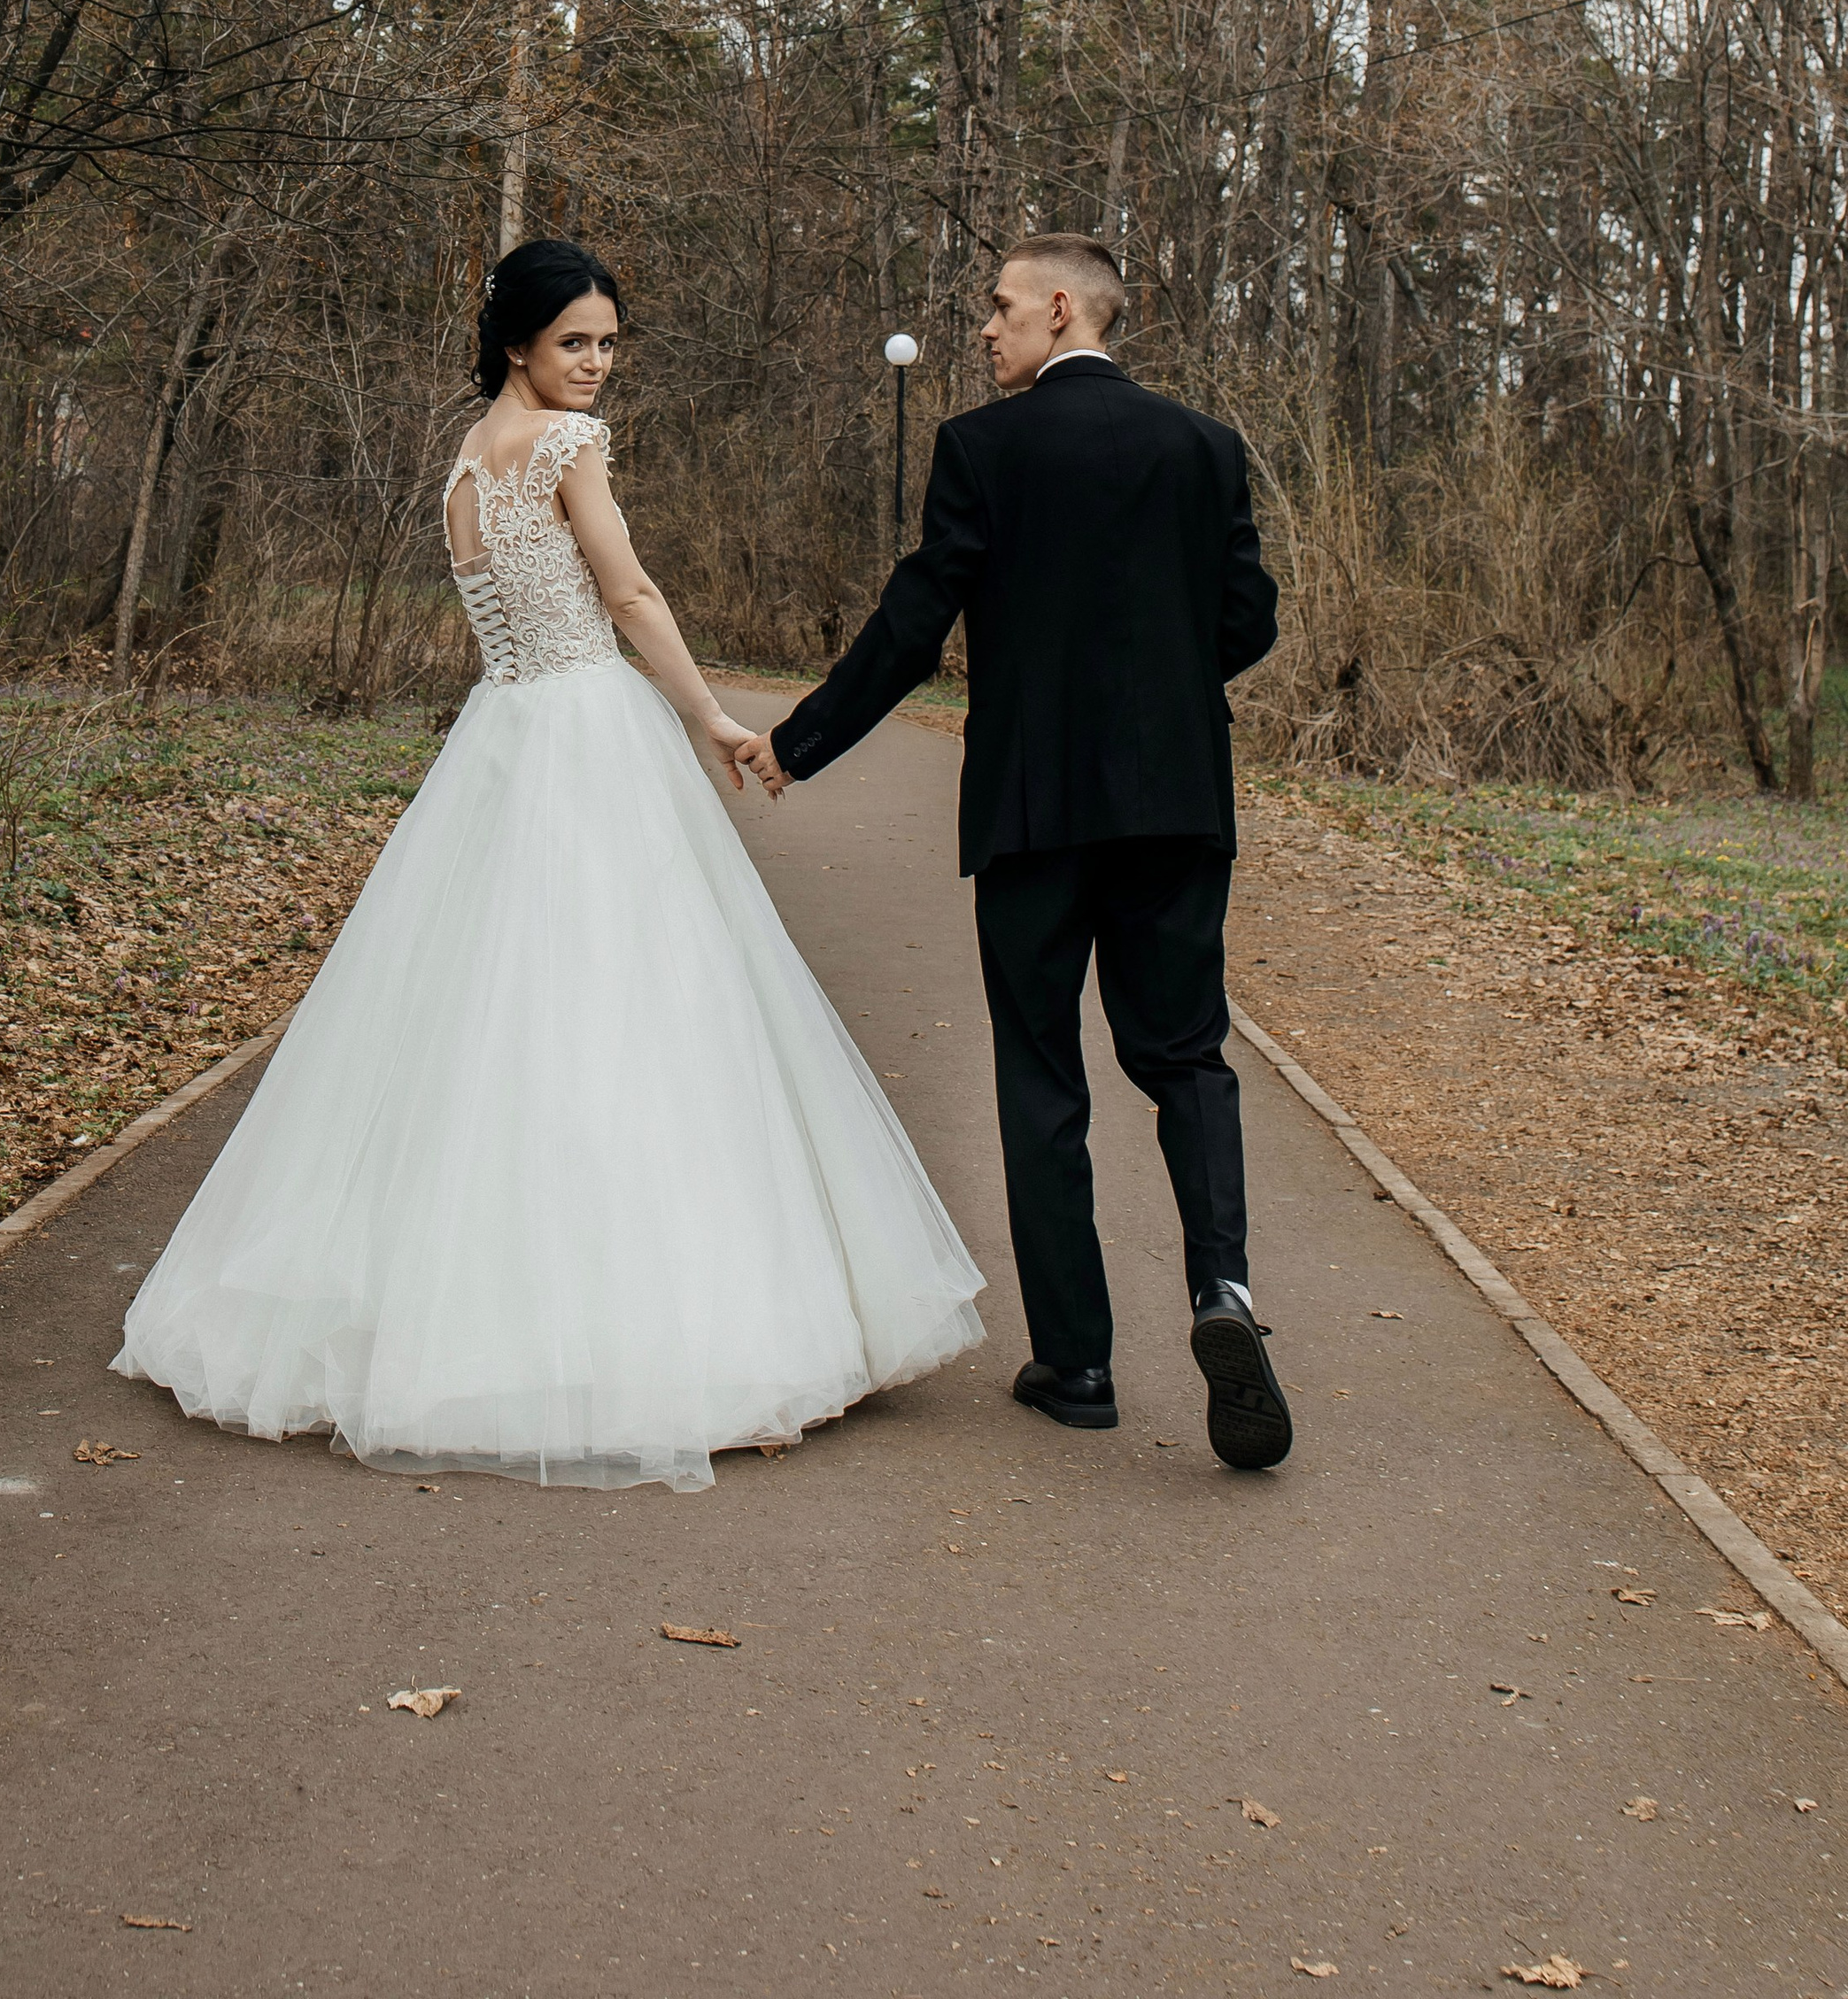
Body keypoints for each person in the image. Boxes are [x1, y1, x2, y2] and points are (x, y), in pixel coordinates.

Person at [114, 236, 983, 1491]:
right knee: (635, 1010)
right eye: (575, 340)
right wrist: (712, 721)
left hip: (503, 739)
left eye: (609, 343)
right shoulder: (569, 449)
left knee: (489, 1017)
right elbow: (627, 598)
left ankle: (450, 1319)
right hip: (582, 730)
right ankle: (682, 1345)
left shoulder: (465, 462)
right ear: (516, 342)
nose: (596, 364)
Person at [736, 236, 1289, 1470]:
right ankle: (1224, 1293)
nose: (984, 331)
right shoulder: (1204, 446)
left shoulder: (984, 450)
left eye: (996, 309)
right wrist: (1155, 693)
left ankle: (1078, 1362)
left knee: (1044, 1074)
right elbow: (1244, 620)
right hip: (1179, 801)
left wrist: (802, 742)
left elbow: (917, 618)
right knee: (1187, 1055)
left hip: (1036, 809)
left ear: (1056, 308)